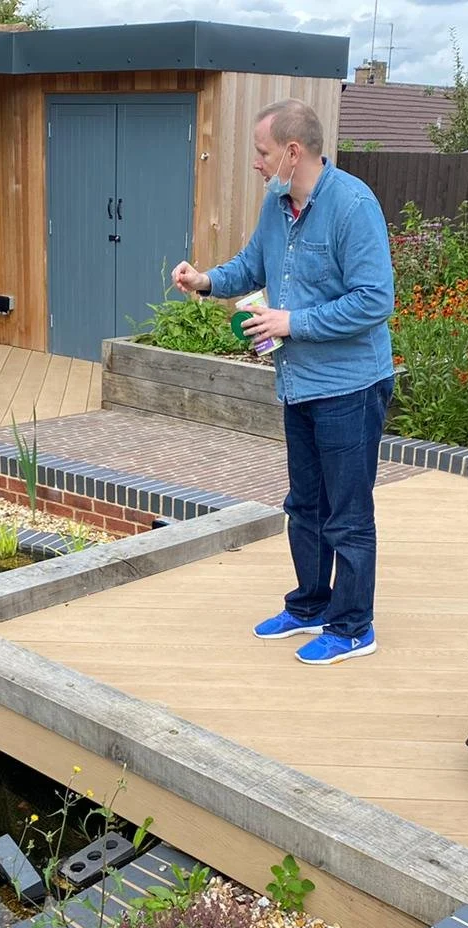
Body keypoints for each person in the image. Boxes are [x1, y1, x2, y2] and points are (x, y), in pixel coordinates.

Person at [170, 98, 396, 666]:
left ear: (293, 153)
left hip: (349, 388)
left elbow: (375, 300)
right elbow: (250, 266)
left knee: (347, 512)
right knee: (304, 506)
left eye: (262, 152)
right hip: (299, 387)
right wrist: (203, 281)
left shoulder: (353, 205)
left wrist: (291, 322)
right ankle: (311, 606)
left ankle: (352, 627)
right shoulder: (278, 207)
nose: (256, 163)